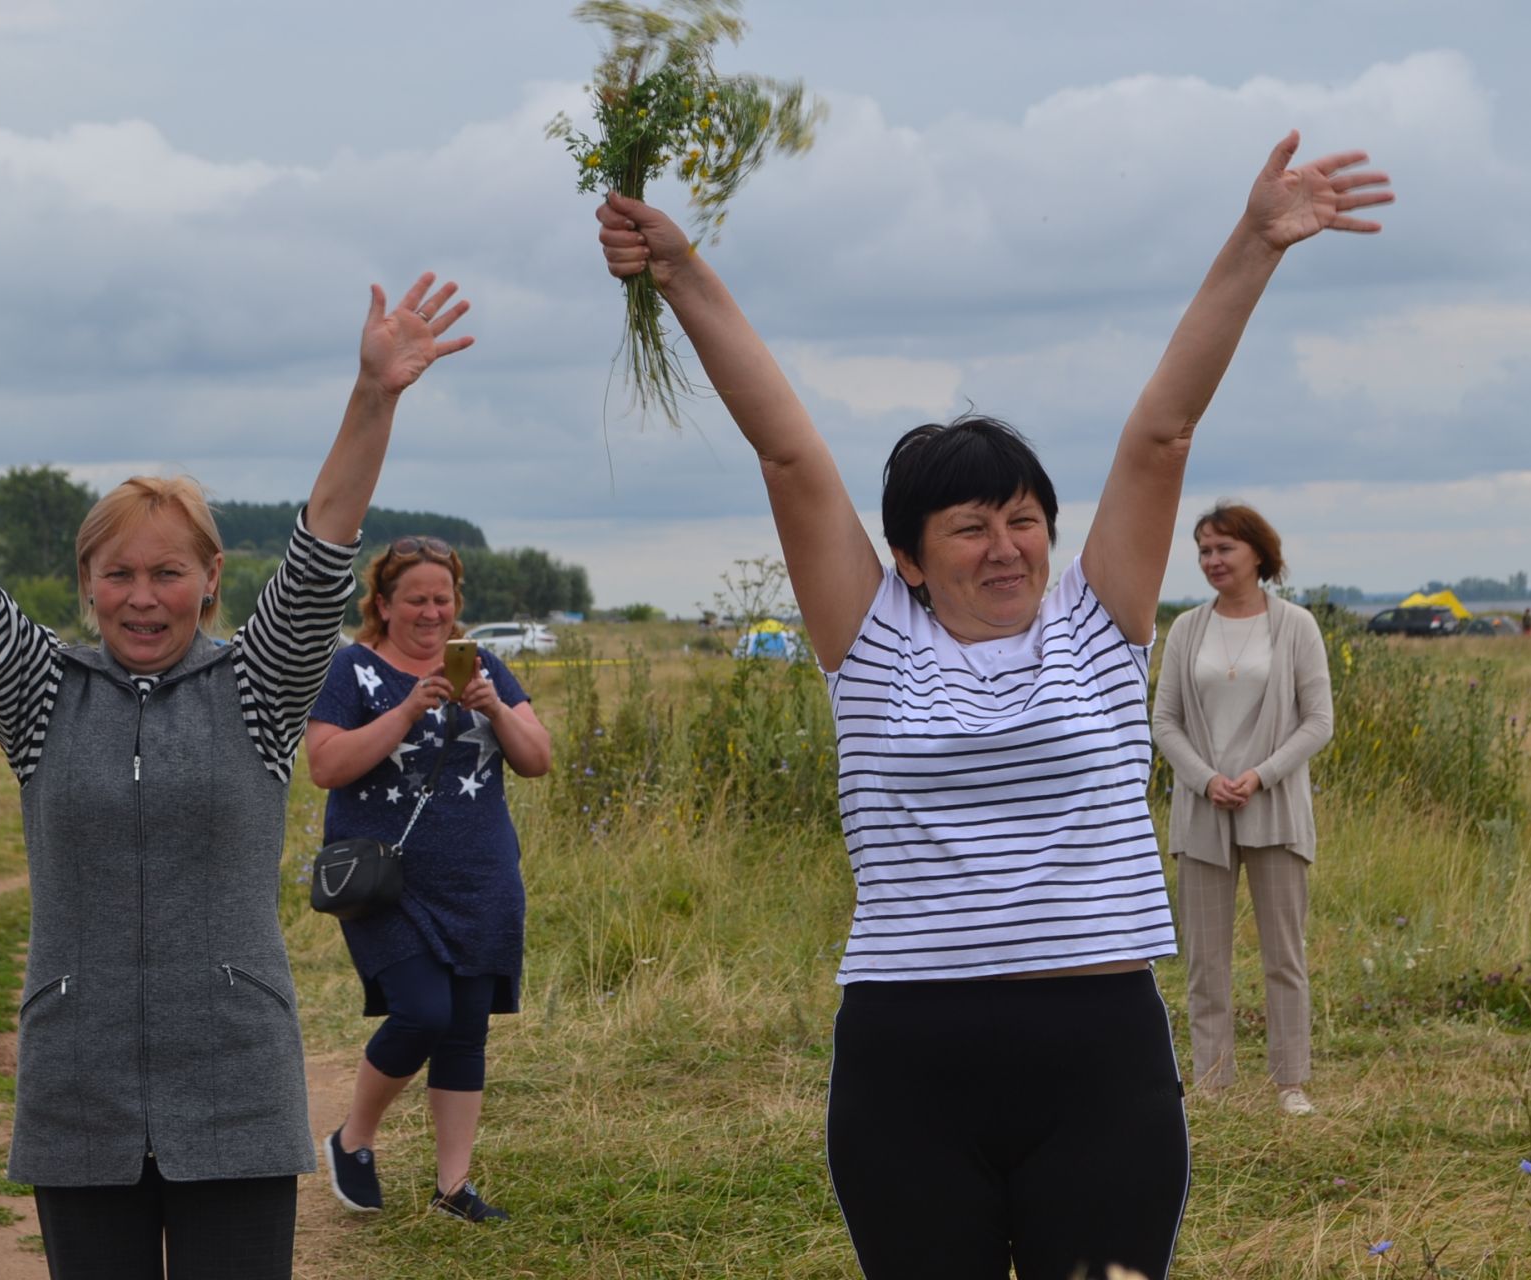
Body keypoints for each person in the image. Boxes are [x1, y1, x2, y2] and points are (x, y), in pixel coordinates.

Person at [593, 131, 1390, 1279]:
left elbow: (1161, 429)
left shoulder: (1099, 626)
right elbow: (789, 457)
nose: (1006, 544)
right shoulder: (870, 644)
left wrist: (1256, 242)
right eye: (969, 525)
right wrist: (681, 272)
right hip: (908, 1063)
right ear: (910, 557)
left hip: (1099, 1055)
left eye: (1023, 518)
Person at [0, 273, 473, 1279]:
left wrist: (373, 394)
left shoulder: (258, 685)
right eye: (117, 573)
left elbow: (326, 539)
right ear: (86, 585)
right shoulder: (40, 694)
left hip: (236, 1084)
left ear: (211, 578)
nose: (143, 595)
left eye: (169, 571)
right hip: (80, 1087)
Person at [308, 539, 552, 1224]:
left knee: (466, 1029)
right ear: (383, 604)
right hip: (386, 882)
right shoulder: (351, 669)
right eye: (415, 599)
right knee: (422, 1012)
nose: (431, 611)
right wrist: (409, 710)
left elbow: (538, 759)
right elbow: (325, 764)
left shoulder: (487, 668)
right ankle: (353, 1139)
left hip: (483, 880)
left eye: (442, 599)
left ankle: (453, 1187)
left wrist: (496, 709)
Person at [1150, 504, 1333, 1116]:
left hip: (1275, 810)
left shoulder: (1297, 626)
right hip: (1202, 815)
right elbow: (1164, 721)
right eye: (1203, 550)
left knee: (1285, 954)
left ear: (1257, 552)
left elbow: (1318, 722)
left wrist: (1261, 775)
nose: (1212, 561)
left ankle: (1290, 1083)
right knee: (1205, 959)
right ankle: (1214, 1081)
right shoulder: (1186, 630)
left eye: (1223, 548)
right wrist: (1205, 781)